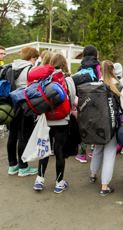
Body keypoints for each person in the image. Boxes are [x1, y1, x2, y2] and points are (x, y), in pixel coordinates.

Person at [34, 53, 76, 194]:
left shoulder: (45, 78)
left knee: (44, 150)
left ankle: (39, 179)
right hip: (62, 121)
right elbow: (71, 101)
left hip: (46, 120)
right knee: (59, 151)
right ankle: (59, 182)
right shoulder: (68, 79)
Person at [89, 60, 123, 196]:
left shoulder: (96, 85)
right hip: (112, 125)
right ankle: (104, 185)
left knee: (98, 149)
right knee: (110, 154)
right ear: (112, 70)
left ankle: (93, 174)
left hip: (98, 124)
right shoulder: (117, 86)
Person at [7, 46, 39, 176]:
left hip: (11, 105)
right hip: (24, 105)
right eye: (35, 58)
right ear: (32, 58)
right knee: (24, 136)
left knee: (12, 135)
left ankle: (12, 165)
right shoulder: (30, 69)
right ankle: (23, 166)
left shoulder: (12, 67)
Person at [75, 45, 101, 162]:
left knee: (83, 127)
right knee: (95, 125)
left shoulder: (81, 67)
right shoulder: (98, 67)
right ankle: (94, 150)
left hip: (82, 100)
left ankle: (82, 154)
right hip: (96, 100)